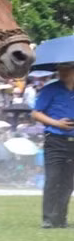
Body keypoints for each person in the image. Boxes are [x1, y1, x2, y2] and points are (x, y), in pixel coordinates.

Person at [31, 62, 74, 229]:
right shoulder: (50, 89)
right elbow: (36, 113)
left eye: (66, 69)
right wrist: (57, 123)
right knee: (53, 179)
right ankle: (48, 218)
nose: (62, 72)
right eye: (60, 69)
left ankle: (61, 218)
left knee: (68, 182)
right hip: (55, 140)